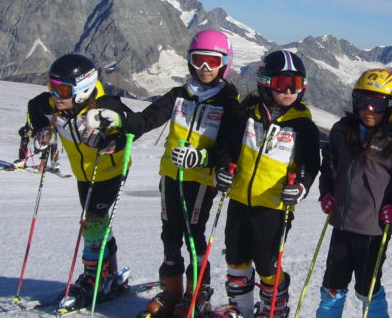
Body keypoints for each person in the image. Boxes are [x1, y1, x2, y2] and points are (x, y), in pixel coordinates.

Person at [85, 30, 240, 318]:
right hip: (171, 175)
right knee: (170, 233)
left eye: (212, 62)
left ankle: (198, 292)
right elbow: (146, 120)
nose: (204, 68)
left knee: (193, 235)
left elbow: (229, 149)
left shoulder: (229, 103)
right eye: (198, 60)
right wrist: (118, 118)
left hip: (200, 181)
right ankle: (171, 291)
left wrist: (202, 158)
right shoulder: (179, 95)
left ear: (224, 64)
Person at [315, 68, 392, 318]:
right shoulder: (342, 131)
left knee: (367, 289)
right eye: (363, 101)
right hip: (341, 224)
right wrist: (326, 191)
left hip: (373, 231)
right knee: (332, 287)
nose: (368, 109)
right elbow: (329, 162)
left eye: (378, 104)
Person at [214, 50, 320, 318]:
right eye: (282, 83)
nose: (289, 91)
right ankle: (240, 309)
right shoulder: (247, 115)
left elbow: (310, 164)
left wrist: (301, 186)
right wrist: (224, 168)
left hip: (274, 206)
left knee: (266, 262)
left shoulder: (302, 125)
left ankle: (274, 308)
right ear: (265, 83)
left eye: (296, 84)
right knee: (235, 257)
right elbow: (229, 148)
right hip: (239, 199)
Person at [26, 53, 137, 308]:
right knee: (99, 223)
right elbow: (34, 107)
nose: (56, 95)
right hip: (83, 174)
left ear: (83, 89)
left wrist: (110, 141)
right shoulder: (50, 105)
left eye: (63, 90)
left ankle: (93, 279)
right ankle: (109, 275)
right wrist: (41, 129)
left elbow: (131, 129)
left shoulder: (106, 106)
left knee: (93, 222)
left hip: (110, 171)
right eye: (52, 87)